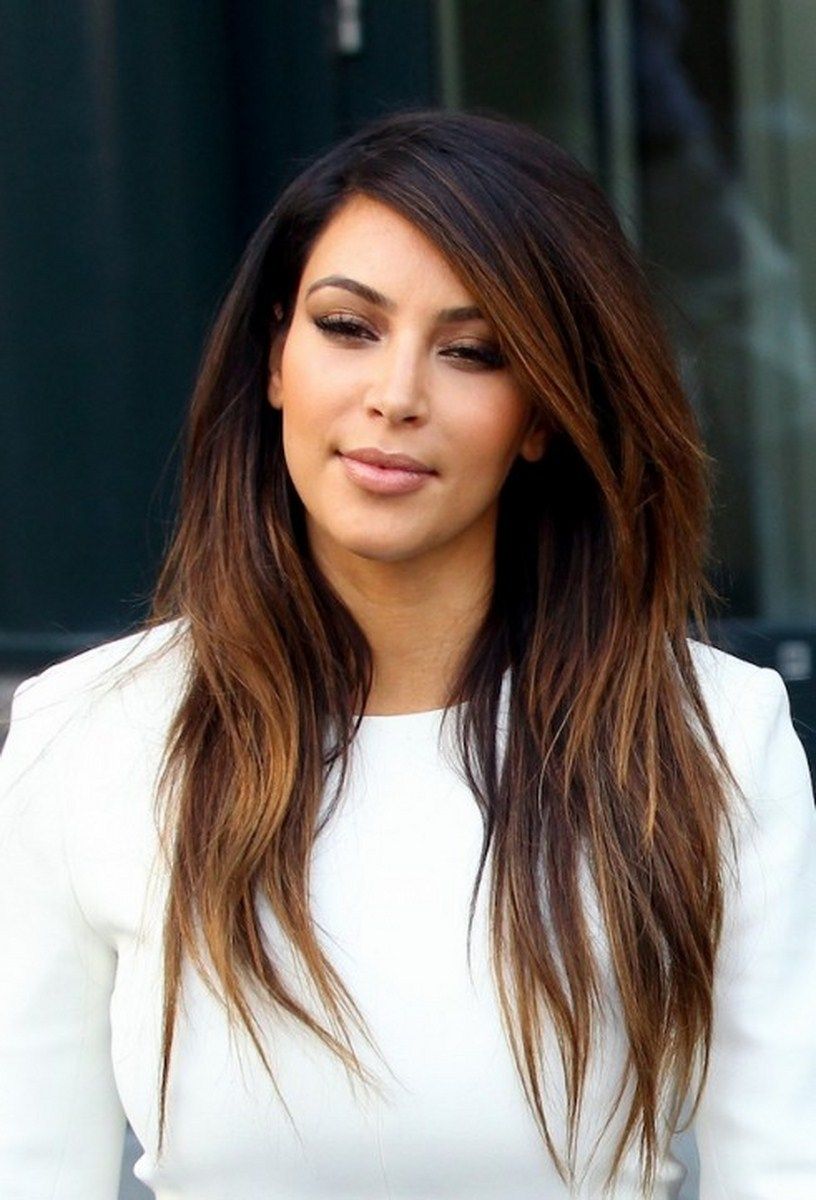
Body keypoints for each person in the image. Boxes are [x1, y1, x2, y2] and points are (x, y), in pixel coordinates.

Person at [1, 108, 815, 1200]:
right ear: (276, 357)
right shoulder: (89, 736)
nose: (396, 396)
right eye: (348, 327)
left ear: (541, 415)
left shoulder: (710, 738)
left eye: (473, 352)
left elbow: (785, 1169)